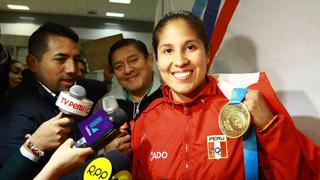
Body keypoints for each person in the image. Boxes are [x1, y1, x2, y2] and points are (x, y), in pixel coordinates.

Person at [131, 10, 320, 179]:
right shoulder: (146, 123)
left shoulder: (245, 105)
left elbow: (299, 173)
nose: (180, 61)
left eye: (190, 47)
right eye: (168, 50)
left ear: (207, 54)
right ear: (157, 60)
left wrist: (270, 127)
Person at [0, 22, 81, 178]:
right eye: (60, 59)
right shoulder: (16, 110)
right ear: (32, 63)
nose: (72, 69)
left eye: (76, 59)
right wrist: (33, 148)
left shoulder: (62, 96)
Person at [94, 38, 162, 155]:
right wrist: (106, 153)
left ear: (149, 59)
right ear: (114, 72)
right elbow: (91, 148)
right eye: (119, 67)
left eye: (133, 60)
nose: (128, 70)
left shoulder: (171, 95)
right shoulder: (104, 104)